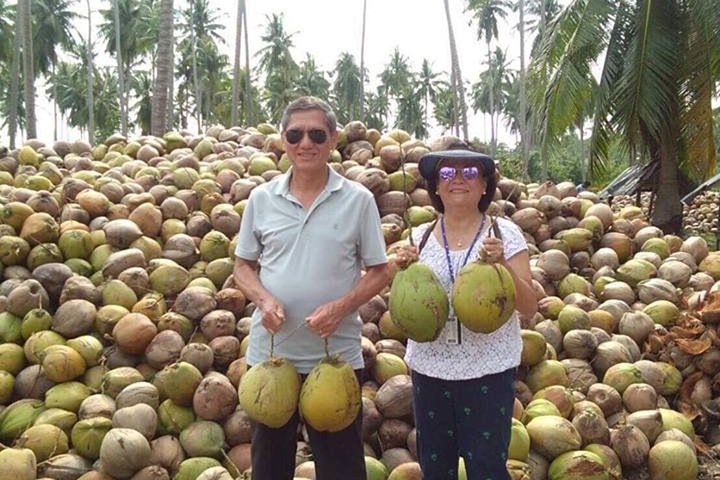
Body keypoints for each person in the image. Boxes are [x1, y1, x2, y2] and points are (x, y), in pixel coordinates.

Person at [232, 96, 389, 480]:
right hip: (271, 356)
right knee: (269, 469)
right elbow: (242, 267)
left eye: (317, 134)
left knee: (342, 469)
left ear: (333, 139)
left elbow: (380, 272)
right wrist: (262, 298)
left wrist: (341, 306)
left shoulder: (358, 200)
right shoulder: (261, 198)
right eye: (296, 134)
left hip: (334, 358)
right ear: (282, 140)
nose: (306, 143)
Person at [390, 146, 537, 479]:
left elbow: (529, 308)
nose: (458, 179)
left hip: (488, 371)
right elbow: (406, 306)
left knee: (486, 468)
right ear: (436, 188)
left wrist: (502, 266)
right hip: (430, 371)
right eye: (446, 173)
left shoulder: (504, 235)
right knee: (435, 467)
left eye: (470, 173)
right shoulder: (418, 239)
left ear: (485, 185)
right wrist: (398, 272)